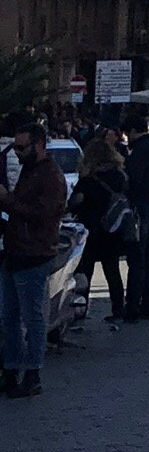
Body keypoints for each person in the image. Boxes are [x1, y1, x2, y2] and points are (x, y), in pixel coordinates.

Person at [0, 119, 68, 398]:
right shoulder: (30, 170)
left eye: (22, 147)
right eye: (15, 147)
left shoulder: (50, 175)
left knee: (32, 317)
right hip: (15, 252)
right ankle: (12, 368)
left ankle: (32, 372)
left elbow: (42, 215)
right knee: (9, 317)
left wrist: (7, 200)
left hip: (35, 254)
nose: (17, 152)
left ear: (38, 145)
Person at [74, 133, 129, 328]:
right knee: (112, 270)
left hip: (90, 230)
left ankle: (80, 310)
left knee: (83, 272)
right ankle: (118, 309)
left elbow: (75, 203)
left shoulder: (88, 180)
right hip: (112, 229)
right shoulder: (119, 176)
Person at [123, 114, 149, 322]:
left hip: (141, 205)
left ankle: (134, 304)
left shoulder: (141, 150)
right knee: (148, 256)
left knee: (138, 257)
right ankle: (147, 303)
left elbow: (134, 181)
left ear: (132, 131)